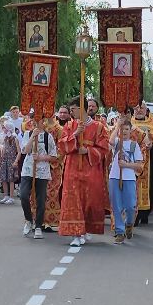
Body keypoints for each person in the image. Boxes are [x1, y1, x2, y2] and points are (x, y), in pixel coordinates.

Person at [56, 101, 111, 248]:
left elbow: (104, 148)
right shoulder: (69, 126)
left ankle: (86, 228)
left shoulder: (99, 127)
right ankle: (76, 233)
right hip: (72, 169)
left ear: (82, 108)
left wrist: (88, 151)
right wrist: (75, 134)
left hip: (91, 169)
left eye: (73, 109)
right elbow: (62, 145)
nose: (71, 112)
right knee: (73, 200)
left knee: (90, 200)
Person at [19, 113, 59, 238]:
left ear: (43, 121)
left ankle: (38, 226)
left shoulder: (48, 137)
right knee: (24, 195)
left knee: (40, 199)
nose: (35, 121)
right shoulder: (27, 134)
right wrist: (32, 137)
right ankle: (29, 220)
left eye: (38, 119)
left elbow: (53, 156)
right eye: (33, 119)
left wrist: (41, 157)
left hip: (42, 171)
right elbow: (25, 151)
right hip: (28, 170)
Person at [108, 121, 146, 243]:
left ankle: (129, 224)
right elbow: (110, 141)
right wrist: (117, 126)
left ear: (130, 131)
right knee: (116, 206)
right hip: (115, 177)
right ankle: (119, 232)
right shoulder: (117, 143)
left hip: (129, 178)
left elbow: (139, 165)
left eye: (126, 129)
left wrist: (126, 165)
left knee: (131, 206)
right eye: (122, 129)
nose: (124, 131)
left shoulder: (134, 145)